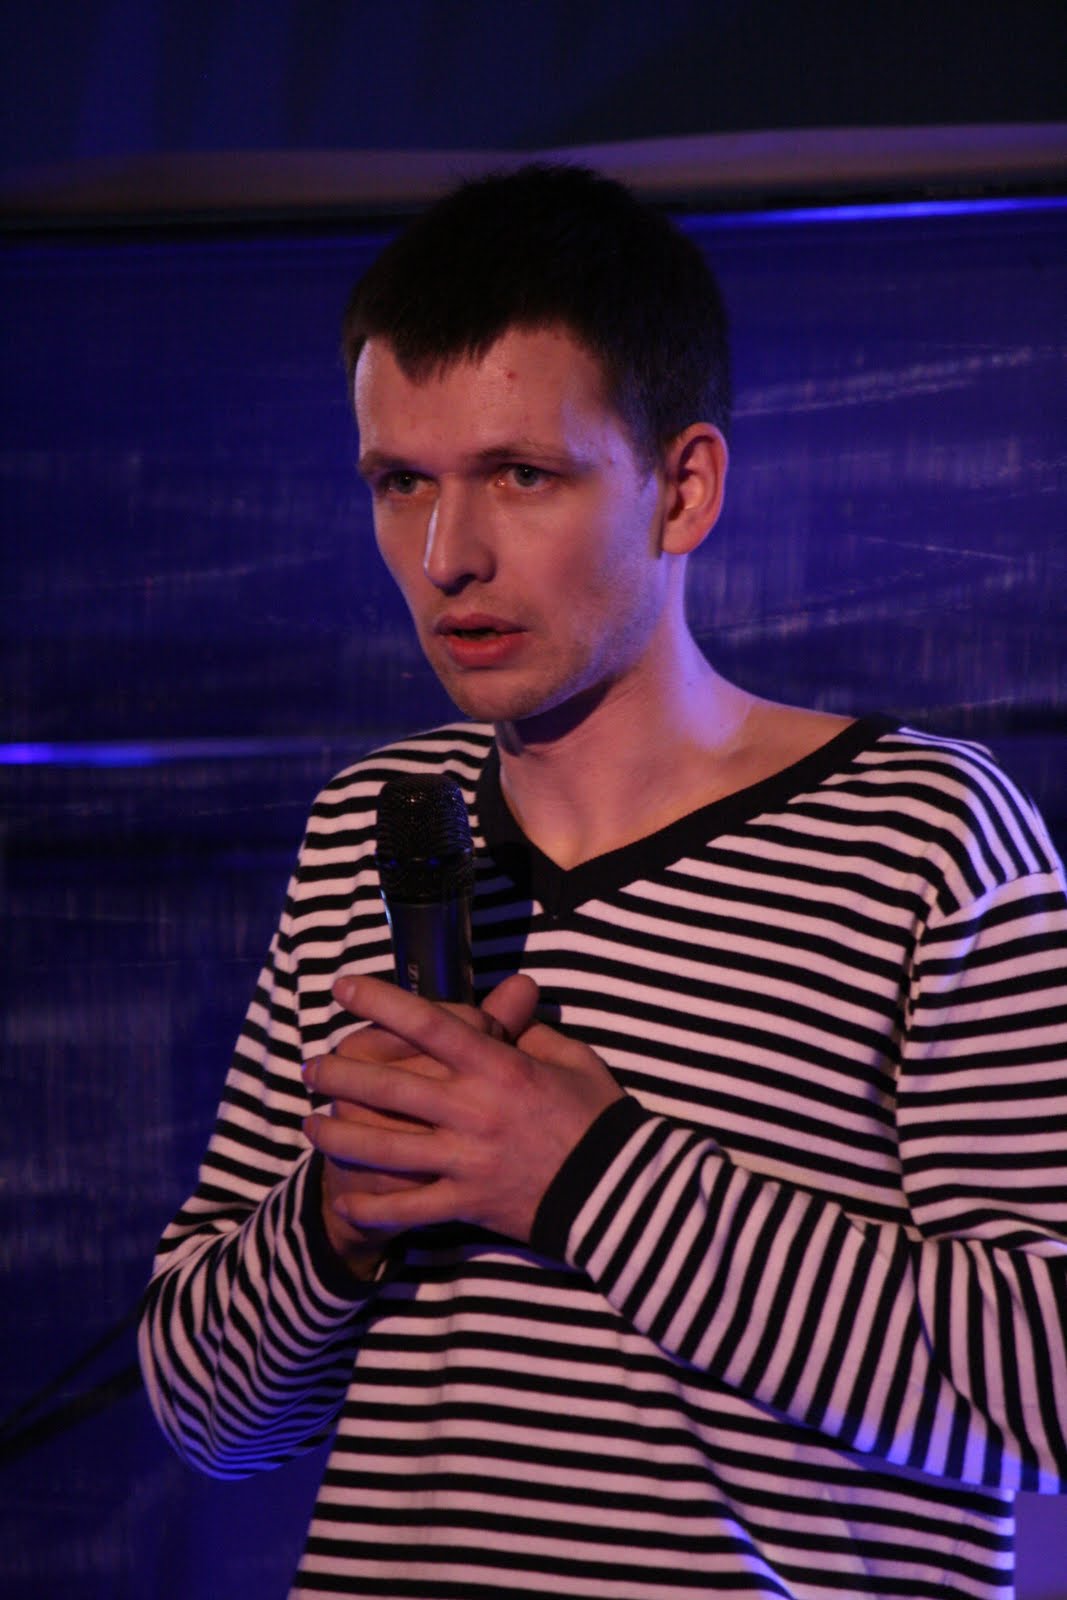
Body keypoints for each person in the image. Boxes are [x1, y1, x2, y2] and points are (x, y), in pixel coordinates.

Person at [139, 165, 1067, 1600]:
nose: (448, 557)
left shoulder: (925, 835)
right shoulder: (372, 828)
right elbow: (208, 1417)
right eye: (400, 483)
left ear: (682, 487)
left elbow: (1045, 1397)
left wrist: (581, 1173)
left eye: (522, 474)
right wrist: (333, 1220)